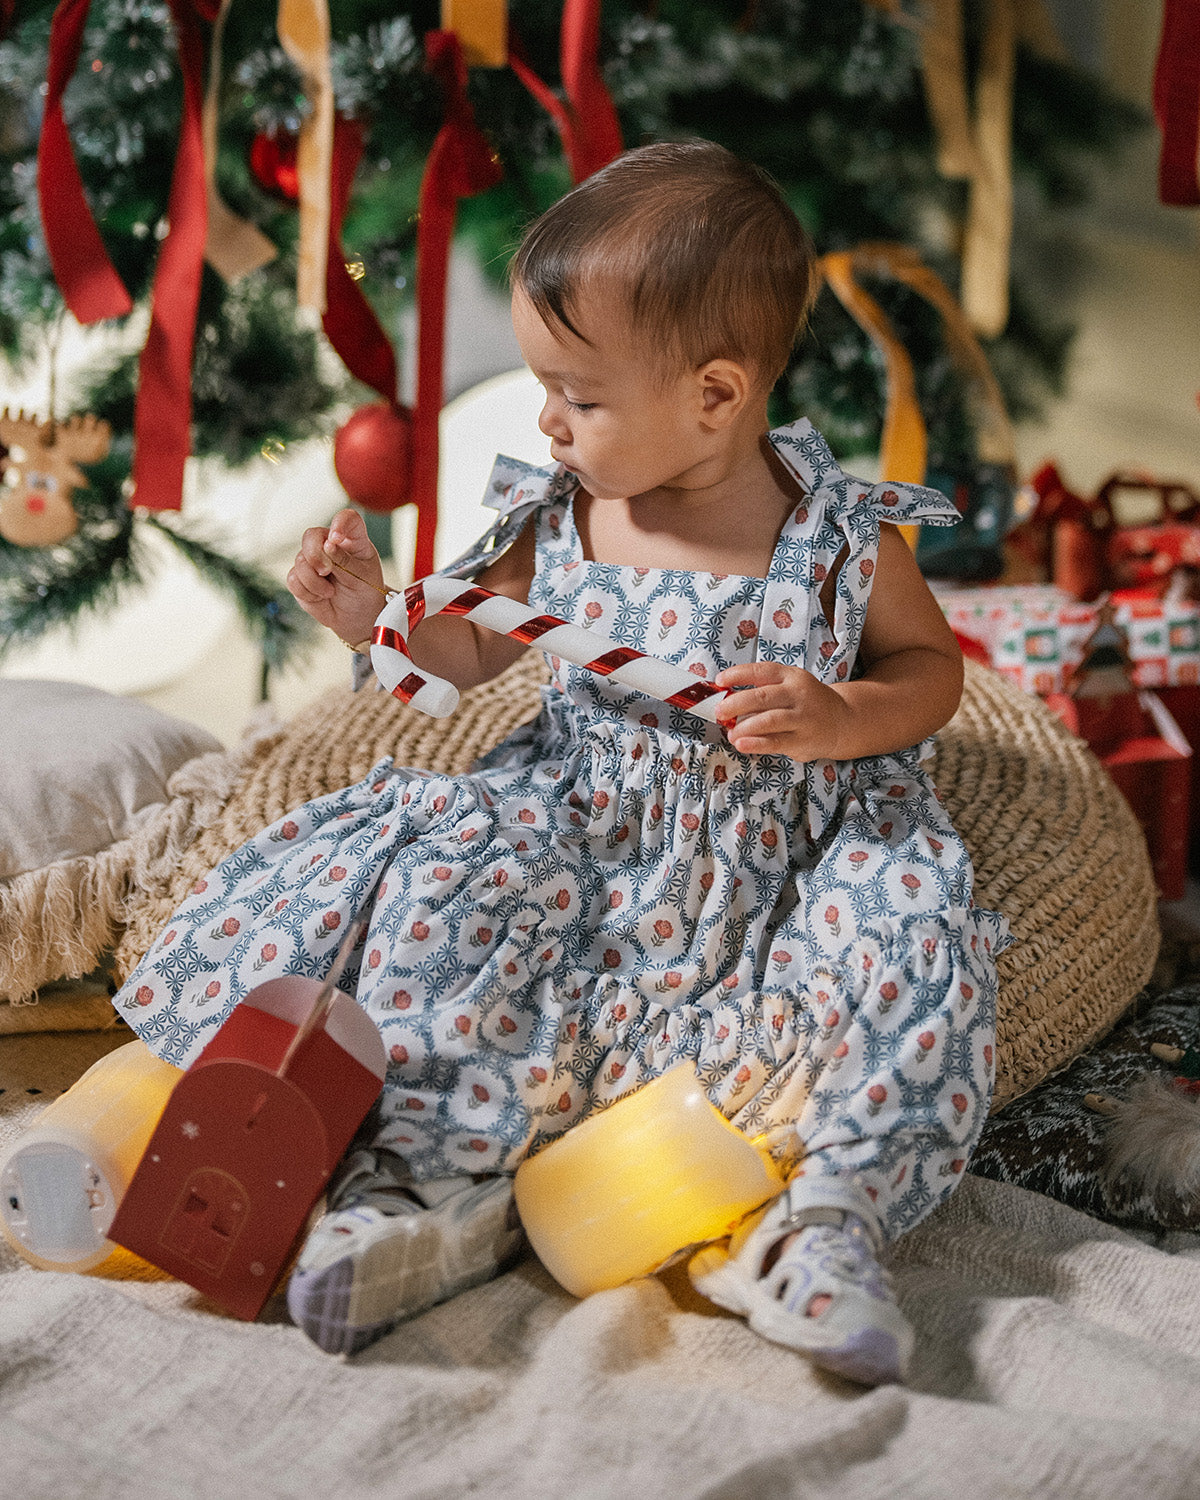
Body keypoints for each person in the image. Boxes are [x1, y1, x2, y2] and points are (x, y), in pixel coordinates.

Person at [114, 140, 1008, 1385]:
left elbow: (931, 670)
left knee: (911, 939)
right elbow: (463, 657)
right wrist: (375, 613)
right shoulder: (564, 513)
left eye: (575, 395)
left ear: (714, 395)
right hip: (580, 814)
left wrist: (840, 714)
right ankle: (423, 1178)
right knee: (454, 886)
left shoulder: (833, 538)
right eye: (546, 387)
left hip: (782, 844)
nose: (545, 419)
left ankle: (823, 1219)